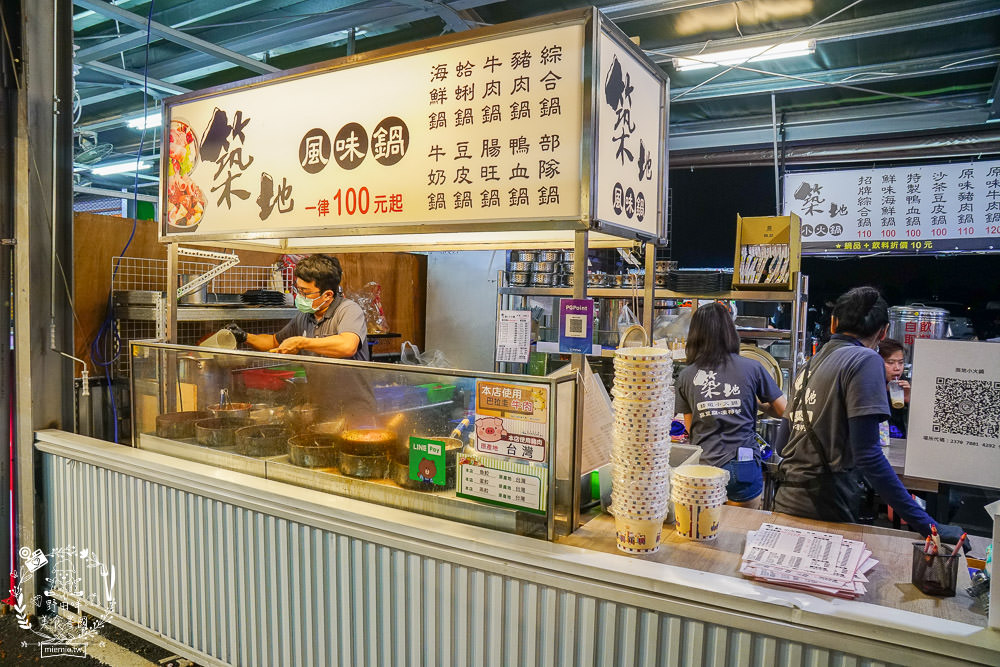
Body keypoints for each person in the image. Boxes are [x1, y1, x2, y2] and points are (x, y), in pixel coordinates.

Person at [774, 287, 966, 545]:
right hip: (827, 507)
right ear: (884, 331)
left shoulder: (810, 364)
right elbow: (869, 456)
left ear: (834, 323)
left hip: (786, 500)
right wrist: (930, 526)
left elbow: (781, 444)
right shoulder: (865, 360)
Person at [226, 254, 374, 425]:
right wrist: (244, 336)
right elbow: (274, 342)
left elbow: (347, 345)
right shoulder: (303, 317)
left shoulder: (348, 310)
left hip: (355, 411)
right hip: (322, 409)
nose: (299, 297)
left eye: (305, 292)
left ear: (327, 295)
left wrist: (301, 342)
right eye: (298, 290)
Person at [675, 302, 787, 509]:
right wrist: (757, 405)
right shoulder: (753, 367)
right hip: (743, 465)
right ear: (729, 332)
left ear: (695, 335)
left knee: (707, 534)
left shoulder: (686, 376)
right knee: (742, 533)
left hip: (705, 469)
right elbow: (783, 410)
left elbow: (691, 430)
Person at [877, 338, 910, 437]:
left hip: (900, 440)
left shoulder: (904, 383)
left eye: (900, 362)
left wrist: (908, 399)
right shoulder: (870, 383)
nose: (897, 368)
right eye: (890, 362)